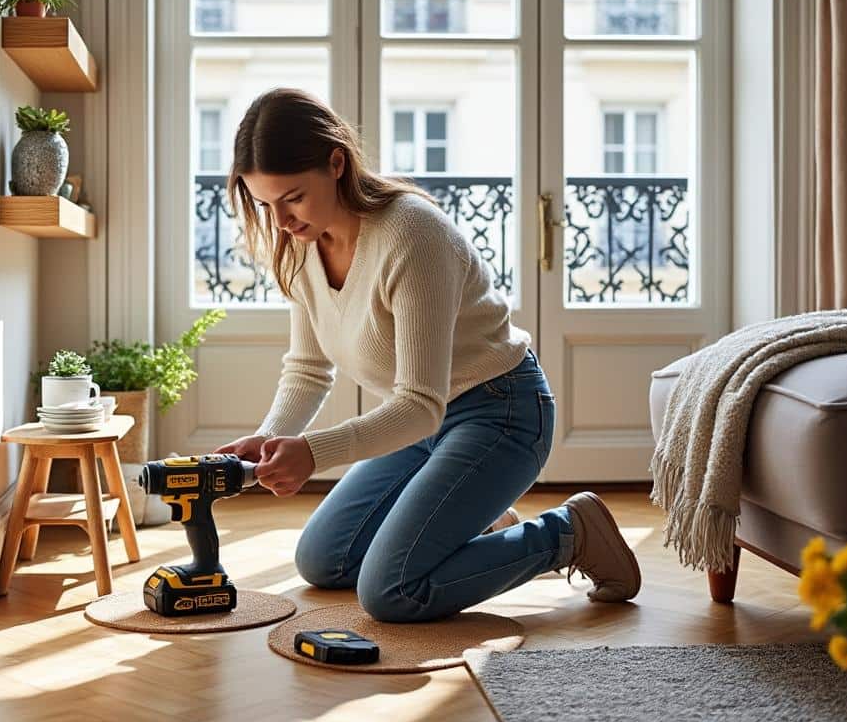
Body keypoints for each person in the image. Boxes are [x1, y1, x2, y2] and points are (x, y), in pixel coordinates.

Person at [213, 88, 641, 623]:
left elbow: (419, 404)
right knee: (323, 559)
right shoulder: (303, 244)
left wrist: (313, 452)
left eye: (293, 197)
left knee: (392, 592)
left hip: (500, 413)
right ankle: (477, 518)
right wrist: (270, 442)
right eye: (265, 204)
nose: (281, 221)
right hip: (421, 424)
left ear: (336, 163)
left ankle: (568, 534)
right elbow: (308, 368)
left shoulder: (412, 234)